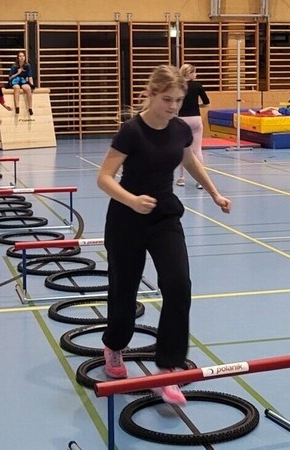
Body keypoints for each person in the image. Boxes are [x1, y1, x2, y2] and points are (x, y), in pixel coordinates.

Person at [96, 65, 232, 406]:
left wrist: (214, 191)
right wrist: (131, 200)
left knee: (178, 284)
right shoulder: (131, 131)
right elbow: (104, 178)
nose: (173, 106)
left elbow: (189, 160)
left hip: (165, 217)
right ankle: (114, 345)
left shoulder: (180, 129)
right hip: (127, 218)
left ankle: (168, 366)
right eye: (167, 99)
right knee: (124, 288)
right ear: (151, 94)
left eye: (179, 100)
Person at [175, 64, 210, 189]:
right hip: (195, 118)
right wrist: (198, 106)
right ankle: (200, 181)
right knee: (197, 150)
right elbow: (206, 102)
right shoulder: (198, 86)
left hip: (182, 119)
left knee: (182, 149)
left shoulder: (179, 86)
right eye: (194, 72)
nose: (196, 75)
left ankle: (181, 178)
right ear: (189, 73)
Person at [8, 51, 35, 116]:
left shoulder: (27, 65)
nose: (22, 57)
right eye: (20, 56)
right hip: (15, 80)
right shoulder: (14, 66)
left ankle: (30, 108)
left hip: (23, 81)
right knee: (17, 88)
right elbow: (10, 78)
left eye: (23, 56)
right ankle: (17, 107)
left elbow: (30, 76)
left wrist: (32, 85)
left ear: (25, 57)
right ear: (18, 58)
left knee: (28, 88)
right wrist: (18, 73)